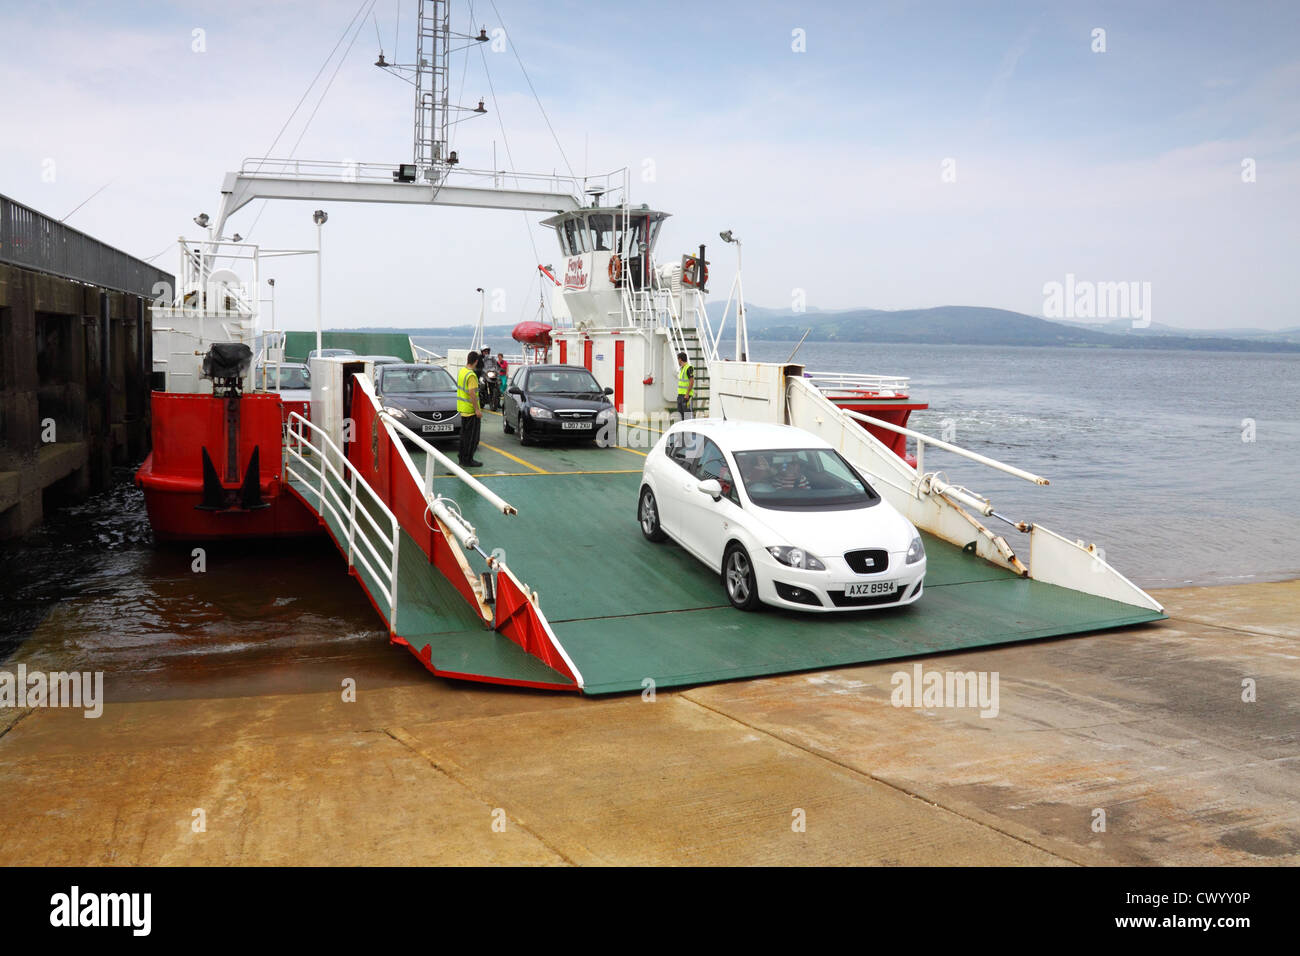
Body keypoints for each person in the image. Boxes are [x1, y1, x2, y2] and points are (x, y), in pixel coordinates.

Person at [457, 351, 484, 467]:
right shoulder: (471, 375)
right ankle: (468, 460)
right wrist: (477, 410)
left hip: (463, 410)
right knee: (472, 438)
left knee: (464, 436)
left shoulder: (462, 371)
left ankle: (462, 457)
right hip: (470, 411)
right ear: (476, 361)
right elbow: (472, 393)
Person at [675, 351, 693, 420]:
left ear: (680, 359)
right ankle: (683, 429)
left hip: (686, 396)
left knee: (687, 414)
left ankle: (688, 429)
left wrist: (687, 394)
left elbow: (691, 381)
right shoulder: (682, 368)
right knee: (681, 413)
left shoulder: (688, 368)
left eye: (678, 360)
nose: (678, 362)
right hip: (680, 395)